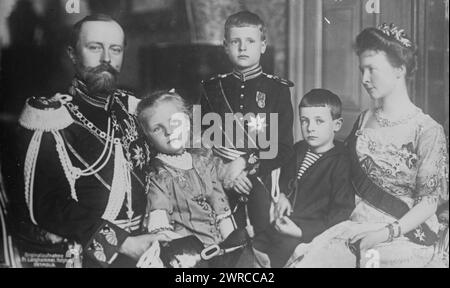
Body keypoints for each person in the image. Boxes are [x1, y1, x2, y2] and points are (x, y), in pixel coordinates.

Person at [286, 24, 449, 268]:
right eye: (362, 70)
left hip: (403, 234)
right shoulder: (363, 118)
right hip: (353, 227)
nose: (364, 79)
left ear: (399, 70)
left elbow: (428, 203)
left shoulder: (427, 130)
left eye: (372, 70)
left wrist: (387, 233)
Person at [17, 14, 168, 267]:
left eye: (115, 49)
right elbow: (44, 206)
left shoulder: (136, 110)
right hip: (85, 257)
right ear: (73, 54)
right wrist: (122, 242)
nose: (106, 58)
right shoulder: (51, 118)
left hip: (148, 249)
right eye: (95, 47)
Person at [200, 11, 294, 235]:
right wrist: (223, 171)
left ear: (263, 46)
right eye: (235, 41)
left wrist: (244, 163)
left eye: (250, 41)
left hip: (260, 183)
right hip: (218, 183)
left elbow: (284, 148)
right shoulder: (211, 88)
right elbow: (200, 143)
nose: (242, 48)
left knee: (262, 243)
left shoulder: (277, 90)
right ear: (225, 46)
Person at [253, 89, 355, 267]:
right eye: (304, 121)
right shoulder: (298, 149)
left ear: (337, 125)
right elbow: (286, 177)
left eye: (319, 121)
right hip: (283, 226)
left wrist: (300, 231)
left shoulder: (342, 161)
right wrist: (283, 195)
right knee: (250, 248)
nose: (310, 128)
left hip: (311, 235)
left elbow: (341, 214)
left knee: (276, 258)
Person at [136, 90, 236, 247]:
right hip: (185, 252)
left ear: (188, 121)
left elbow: (221, 211)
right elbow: (160, 224)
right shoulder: (158, 174)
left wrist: (231, 244)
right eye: (157, 129)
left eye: (174, 122)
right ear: (149, 139)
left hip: (218, 247)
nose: (169, 131)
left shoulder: (204, 163)